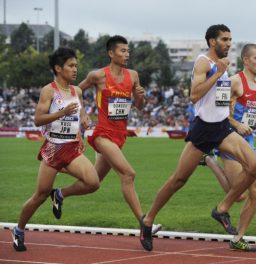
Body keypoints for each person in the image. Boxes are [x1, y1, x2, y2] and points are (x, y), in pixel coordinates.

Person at [139, 24, 256, 251]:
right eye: (224, 39)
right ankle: (147, 221)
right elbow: (194, 96)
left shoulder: (224, 66)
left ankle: (222, 209)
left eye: (230, 39)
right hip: (204, 130)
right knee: (178, 180)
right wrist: (217, 74)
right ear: (212, 41)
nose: (229, 43)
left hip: (223, 129)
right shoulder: (204, 62)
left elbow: (223, 100)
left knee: (254, 166)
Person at [12, 47, 100, 252]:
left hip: (71, 147)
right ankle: (19, 230)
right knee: (40, 195)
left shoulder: (76, 91)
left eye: (76, 65)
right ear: (58, 68)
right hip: (53, 148)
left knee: (93, 182)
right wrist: (61, 113)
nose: (75, 69)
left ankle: (59, 194)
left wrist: (85, 118)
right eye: (71, 66)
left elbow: (80, 112)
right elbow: (38, 119)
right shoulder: (49, 90)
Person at [79, 35, 160, 235]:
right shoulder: (97, 76)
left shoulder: (133, 75)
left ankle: (59, 194)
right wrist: (82, 113)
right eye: (122, 51)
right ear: (111, 53)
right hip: (102, 134)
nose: (127, 54)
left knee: (93, 183)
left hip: (120, 135)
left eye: (128, 51)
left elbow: (139, 107)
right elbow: (75, 92)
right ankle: (144, 222)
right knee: (128, 174)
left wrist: (139, 97)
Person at [211, 43, 256, 251]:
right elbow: (219, 111)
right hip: (230, 140)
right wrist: (237, 124)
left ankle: (238, 237)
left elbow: (249, 118)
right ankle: (210, 160)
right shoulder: (234, 82)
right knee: (238, 195)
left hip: (248, 142)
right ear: (245, 60)